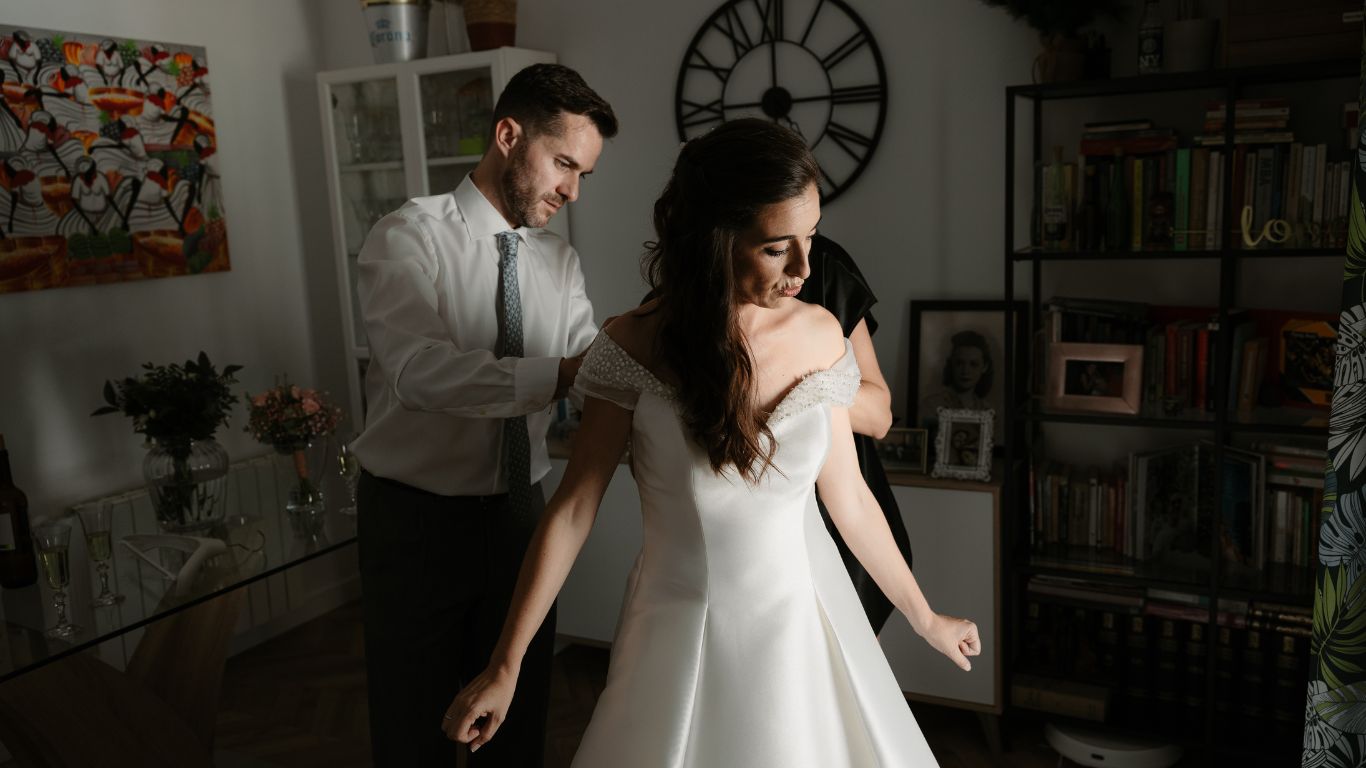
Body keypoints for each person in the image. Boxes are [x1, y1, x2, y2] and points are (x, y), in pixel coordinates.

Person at [444, 119, 978, 766]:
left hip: (801, 634)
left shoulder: (821, 335)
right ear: (715, 240)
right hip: (679, 631)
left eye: (810, 240)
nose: (806, 269)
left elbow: (851, 501)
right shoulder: (631, 345)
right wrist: (508, 664)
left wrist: (927, 619)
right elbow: (573, 510)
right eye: (778, 247)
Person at [349, 63, 617, 767]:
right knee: (414, 730)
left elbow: (593, 366)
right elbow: (419, 372)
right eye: (564, 164)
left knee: (517, 724)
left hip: (521, 515)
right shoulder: (406, 238)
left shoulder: (560, 261)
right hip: (415, 523)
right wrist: (562, 375)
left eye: (583, 173)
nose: (571, 190)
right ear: (507, 135)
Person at [797, 235, 914, 632]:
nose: (800, 264)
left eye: (810, 234)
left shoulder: (822, 266)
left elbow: (879, 415)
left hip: (837, 524)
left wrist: (791, 387)